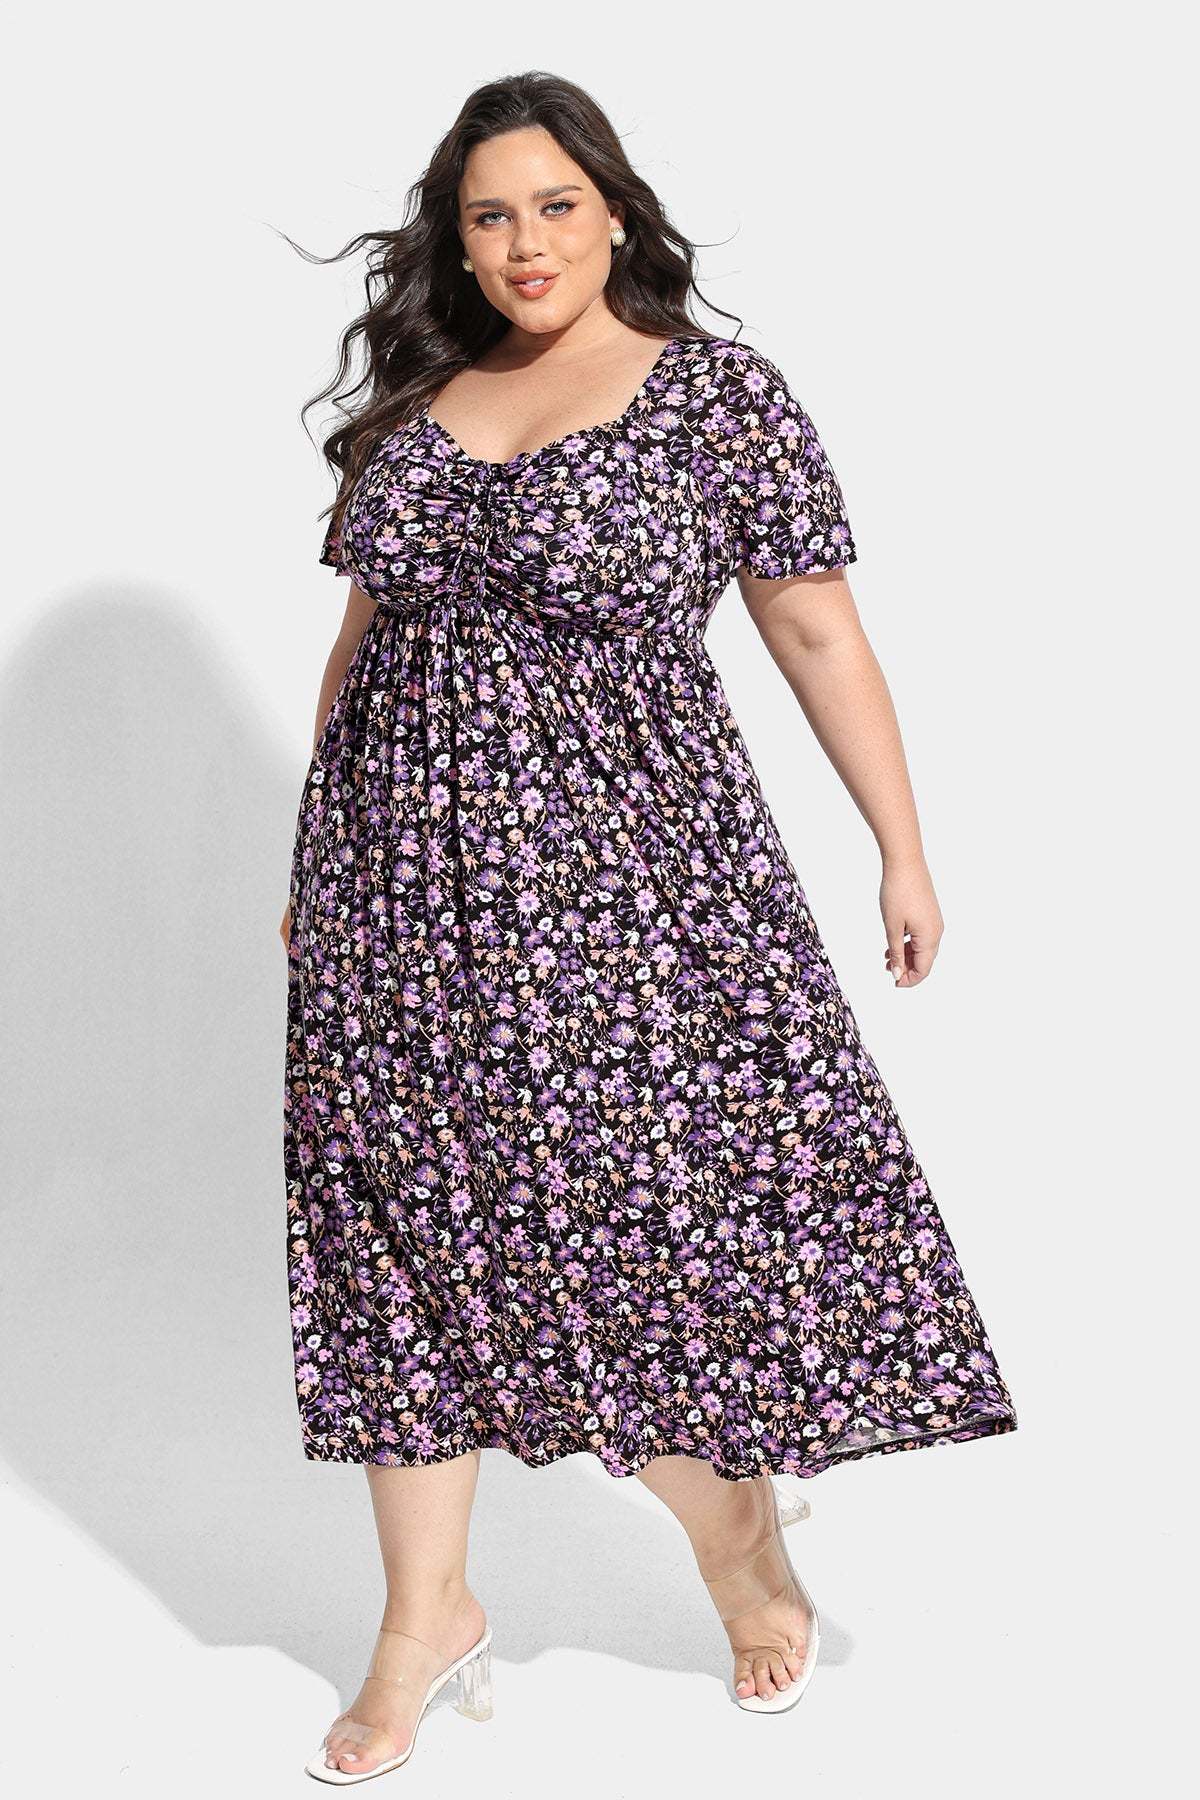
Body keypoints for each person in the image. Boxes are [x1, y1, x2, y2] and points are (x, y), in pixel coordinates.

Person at [281, 70, 1018, 1784]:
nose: (524, 241)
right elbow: (360, 650)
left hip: (629, 892)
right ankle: (424, 1615)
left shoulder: (715, 397)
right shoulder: (419, 405)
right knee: (397, 1234)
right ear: (457, 241)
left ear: (615, 213)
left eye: (555, 204)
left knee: (636, 1226)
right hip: (396, 894)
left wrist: (902, 850)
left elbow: (816, 631)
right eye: (489, 215)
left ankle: (738, 1541)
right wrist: (315, 864)